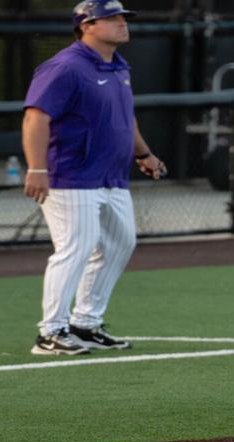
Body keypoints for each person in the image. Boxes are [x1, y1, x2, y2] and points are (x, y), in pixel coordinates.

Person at [21, 1, 167, 356]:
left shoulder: (118, 67)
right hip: (70, 174)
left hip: (111, 175)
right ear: (86, 25)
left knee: (120, 243)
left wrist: (143, 154)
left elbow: (124, 116)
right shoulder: (65, 66)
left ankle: (85, 323)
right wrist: (37, 167)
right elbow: (36, 118)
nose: (122, 23)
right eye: (111, 18)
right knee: (76, 248)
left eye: (123, 18)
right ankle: (50, 331)